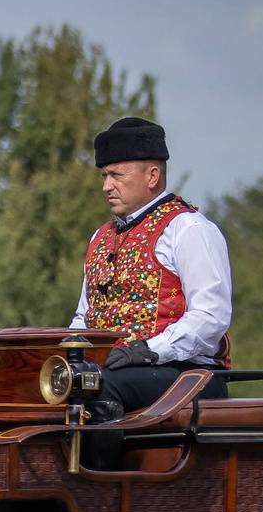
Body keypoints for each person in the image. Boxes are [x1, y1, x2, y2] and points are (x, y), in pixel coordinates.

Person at [71, 116, 232, 438]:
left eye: (117, 175)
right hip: (117, 369)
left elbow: (212, 316)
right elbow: (83, 316)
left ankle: (96, 486)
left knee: (95, 390)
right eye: (104, 176)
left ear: (152, 176)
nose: (106, 186)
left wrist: (150, 350)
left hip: (186, 374)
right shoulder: (100, 238)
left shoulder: (189, 229)